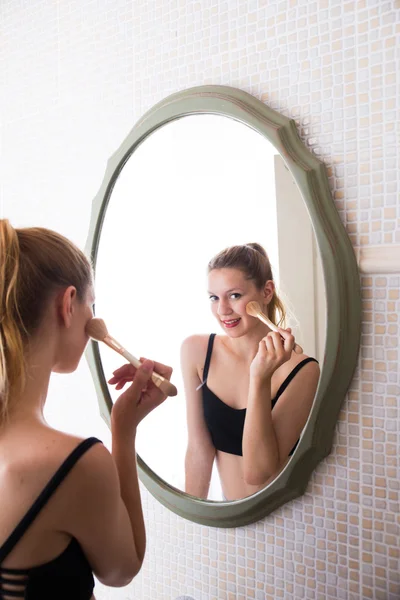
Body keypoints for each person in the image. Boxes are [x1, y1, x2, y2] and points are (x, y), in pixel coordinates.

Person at [0, 219, 171, 599]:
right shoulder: (71, 463)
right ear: (68, 304)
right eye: (91, 305)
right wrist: (122, 434)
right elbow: (122, 569)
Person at [181, 243, 320, 501]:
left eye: (234, 295)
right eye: (214, 297)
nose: (223, 310)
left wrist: (259, 378)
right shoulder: (197, 351)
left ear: (266, 292)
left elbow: (259, 473)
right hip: (229, 520)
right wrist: (196, 519)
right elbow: (199, 449)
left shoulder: (303, 370)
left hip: (281, 520)